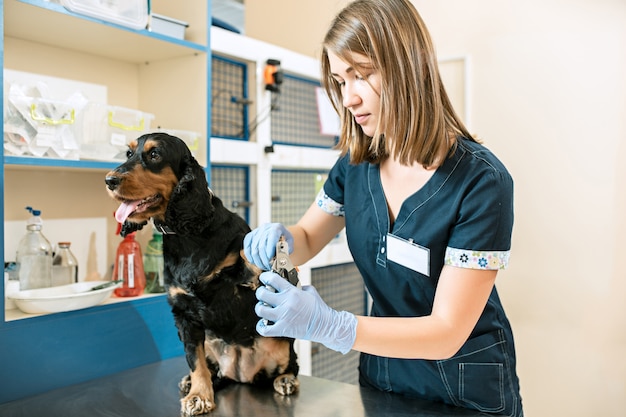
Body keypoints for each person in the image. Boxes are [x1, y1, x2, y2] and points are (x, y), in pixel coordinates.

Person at [243, 0, 523, 415]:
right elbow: (305, 239)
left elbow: (447, 331)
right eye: (340, 80)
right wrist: (281, 239)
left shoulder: (481, 182)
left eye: (362, 75)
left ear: (408, 65)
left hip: (465, 389)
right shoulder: (355, 166)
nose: (349, 98)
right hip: (385, 379)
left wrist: (330, 325)